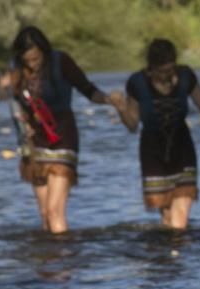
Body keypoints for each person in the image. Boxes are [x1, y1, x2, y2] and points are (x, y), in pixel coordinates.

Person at [9, 26, 122, 234]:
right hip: (35, 142)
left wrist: (108, 100)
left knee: (54, 211)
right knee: (44, 214)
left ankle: (64, 262)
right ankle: (47, 263)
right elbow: (15, 103)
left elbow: (87, 89)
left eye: (37, 59)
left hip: (62, 137)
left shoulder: (61, 61)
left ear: (45, 51)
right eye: (28, 61)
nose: (33, 64)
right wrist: (22, 128)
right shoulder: (16, 69)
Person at [111, 39, 200, 230]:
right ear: (151, 68)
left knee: (180, 218)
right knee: (167, 217)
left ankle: (178, 252)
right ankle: (171, 256)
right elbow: (133, 125)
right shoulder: (137, 82)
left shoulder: (185, 76)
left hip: (182, 149)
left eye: (170, 70)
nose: (167, 76)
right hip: (153, 153)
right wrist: (120, 107)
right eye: (162, 72)